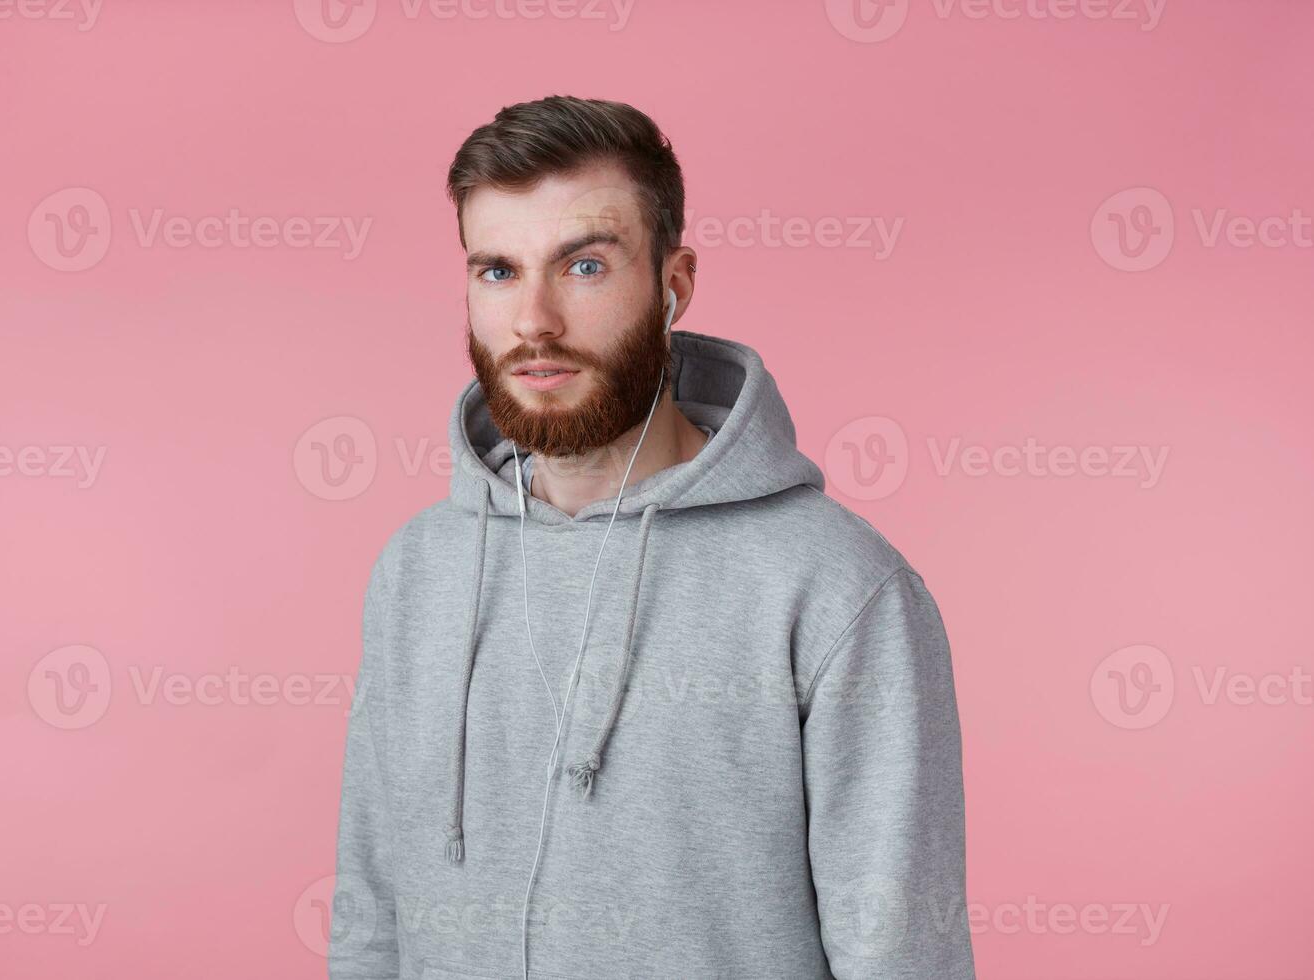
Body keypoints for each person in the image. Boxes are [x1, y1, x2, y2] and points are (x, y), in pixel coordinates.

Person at [329, 94, 975, 980]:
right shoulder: (418, 570)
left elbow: (900, 953)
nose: (534, 322)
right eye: (498, 271)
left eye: (584, 267)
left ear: (673, 286)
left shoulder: (837, 588)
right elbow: (370, 919)